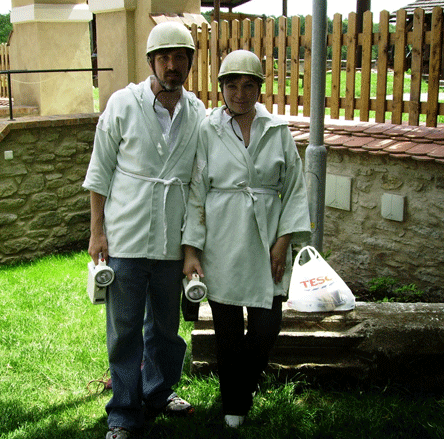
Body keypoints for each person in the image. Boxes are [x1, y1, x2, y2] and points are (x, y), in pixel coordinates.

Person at [82, 21, 206, 439]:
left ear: (189, 62)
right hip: (127, 238)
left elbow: (197, 183)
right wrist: (97, 232)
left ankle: (158, 391)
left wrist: (192, 249)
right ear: (152, 61)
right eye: (164, 58)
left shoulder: (198, 112)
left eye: (180, 58)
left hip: (172, 241)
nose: (172, 66)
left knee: (166, 330)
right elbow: (99, 174)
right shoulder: (121, 104)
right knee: (125, 330)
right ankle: (122, 411)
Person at [182, 50, 311, 429]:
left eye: (248, 85)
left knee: (266, 327)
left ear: (260, 87)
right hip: (221, 241)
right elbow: (195, 194)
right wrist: (192, 251)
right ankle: (234, 404)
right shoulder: (207, 129)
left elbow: (295, 189)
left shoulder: (277, 130)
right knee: (227, 333)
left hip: (266, 241)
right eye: (232, 85)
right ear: (221, 88)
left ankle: (245, 385)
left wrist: (283, 242)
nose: (240, 93)